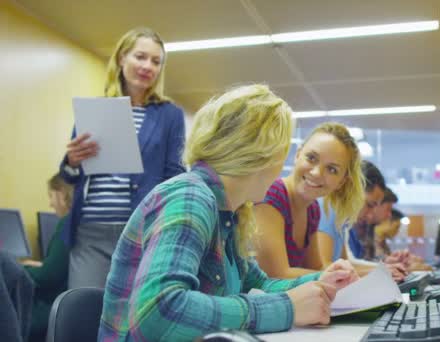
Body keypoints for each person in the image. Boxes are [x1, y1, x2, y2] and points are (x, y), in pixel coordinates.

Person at [98, 85, 358, 341]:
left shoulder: (230, 213)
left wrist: (324, 281)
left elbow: (260, 286)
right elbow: (159, 312)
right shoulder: (190, 197)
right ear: (261, 154)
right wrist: (286, 309)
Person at [58, 27, 186, 288]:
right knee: (84, 309)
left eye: (155, 61)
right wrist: (71, 162)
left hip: (140, 231)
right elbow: (71, 176)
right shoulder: (94, 109)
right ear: (121, 58)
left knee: (129, 315)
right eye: (140, 57)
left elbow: (173, 174)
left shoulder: (169, 114)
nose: (147, 66)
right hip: (90, 231)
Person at [253, 122, 365, 278]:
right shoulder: (272, 195)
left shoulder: (312, 209)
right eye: (311, 158)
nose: (316, 173)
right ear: (298, 155)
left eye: (331, 169)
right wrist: (345, 277)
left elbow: (316, 267)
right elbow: (276, 274)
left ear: (341, 182)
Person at [317, 161, 408, 281]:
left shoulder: (342, 219)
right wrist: (380, 271)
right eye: (369, 205)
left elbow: (347, 263)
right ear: (354, 189)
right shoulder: (327, 209)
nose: (370, 215)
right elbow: (324, 267)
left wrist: (383, 270)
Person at [20, 174, 73, 341]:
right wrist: (40, 265)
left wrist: (20, 268)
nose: (50, 203)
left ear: (62, 193)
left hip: (54, 309)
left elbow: (48, 276)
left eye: (51, 195)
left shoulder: (68, 222)